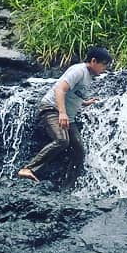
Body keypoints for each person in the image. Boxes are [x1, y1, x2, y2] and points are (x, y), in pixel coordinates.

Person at [17, 46, 112, 184]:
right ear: (93, 61)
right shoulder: (78, 71)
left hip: (68, 115)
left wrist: (85, 102)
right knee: (62, 140)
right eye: (104, 65)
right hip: (52, 109)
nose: (105, 68)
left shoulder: (89, 77)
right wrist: (62, 113)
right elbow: (60, 89)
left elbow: (73, 94)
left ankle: (69, 184)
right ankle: (28, 169)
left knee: (79, 150)